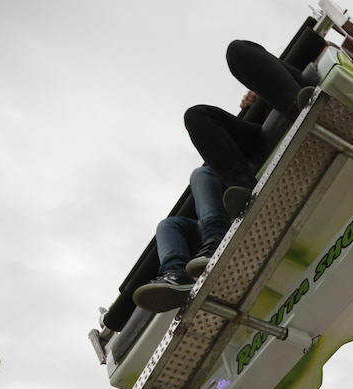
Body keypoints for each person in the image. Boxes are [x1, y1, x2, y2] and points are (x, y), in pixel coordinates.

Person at [184, 40, 315, 213]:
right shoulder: (259, 102)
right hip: (269, 135)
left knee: (236, 50)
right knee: (195, 115)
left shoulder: (298, 68)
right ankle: (249, 192)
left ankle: (303, 109)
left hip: (301, 99)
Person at [132, 165, 231, 312]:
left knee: (200, 173)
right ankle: (176, 275)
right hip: (207, 224)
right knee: (167, 224)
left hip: (224, 214)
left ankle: (216, 237)